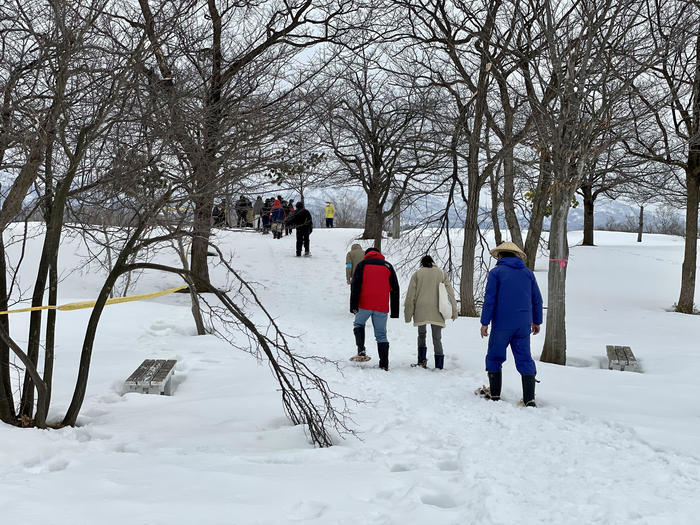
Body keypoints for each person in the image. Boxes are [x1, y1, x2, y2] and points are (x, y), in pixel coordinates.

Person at [479, 242, 543, 407]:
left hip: (502, 324)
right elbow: (537, 299)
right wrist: (537, 321)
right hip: (523, 325)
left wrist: (484, 322)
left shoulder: (496, 273)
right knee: (525, 358)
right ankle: (529, 399)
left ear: (500, 255)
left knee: (494, 356)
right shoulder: (528, 274)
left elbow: (490, 300)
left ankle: (494, 395)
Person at [404, 255, 458, 369]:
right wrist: (454, 310)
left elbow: (410, 296)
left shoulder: (417, 274)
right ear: (433, 262)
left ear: (422, 263)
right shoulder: (442, 273)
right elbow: (450, 293)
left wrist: (408, 315)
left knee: (421, 335)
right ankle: (439, 365)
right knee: (437, 338)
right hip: (437, 309)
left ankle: (421, 361)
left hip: (420, 308)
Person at [350, 247, 399, 370]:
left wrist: (353, 305)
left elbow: (355, 285)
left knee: (358, 324)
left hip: (364, 304)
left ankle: (361, 350)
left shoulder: (362, 265)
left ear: (366, 255)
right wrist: (394, 311)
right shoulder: (388, 266)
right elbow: (395, 288)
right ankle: (384, 364)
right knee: (381, 334)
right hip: (381, 306)